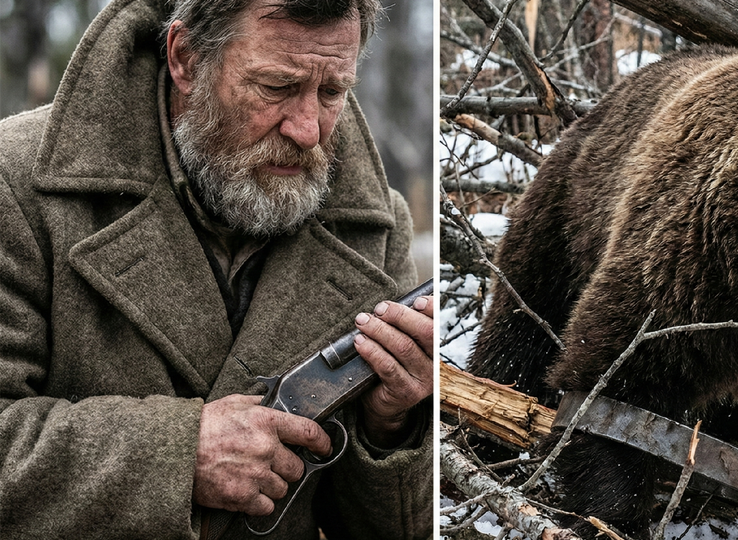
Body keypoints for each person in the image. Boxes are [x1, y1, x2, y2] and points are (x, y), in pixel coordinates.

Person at [0, 0, 433, 538]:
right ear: (185, 59)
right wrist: (178, 457)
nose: (307, 131)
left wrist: (390, 425)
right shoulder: (15, 184)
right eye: (275, 87)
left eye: (331, 93)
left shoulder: (376, 226)